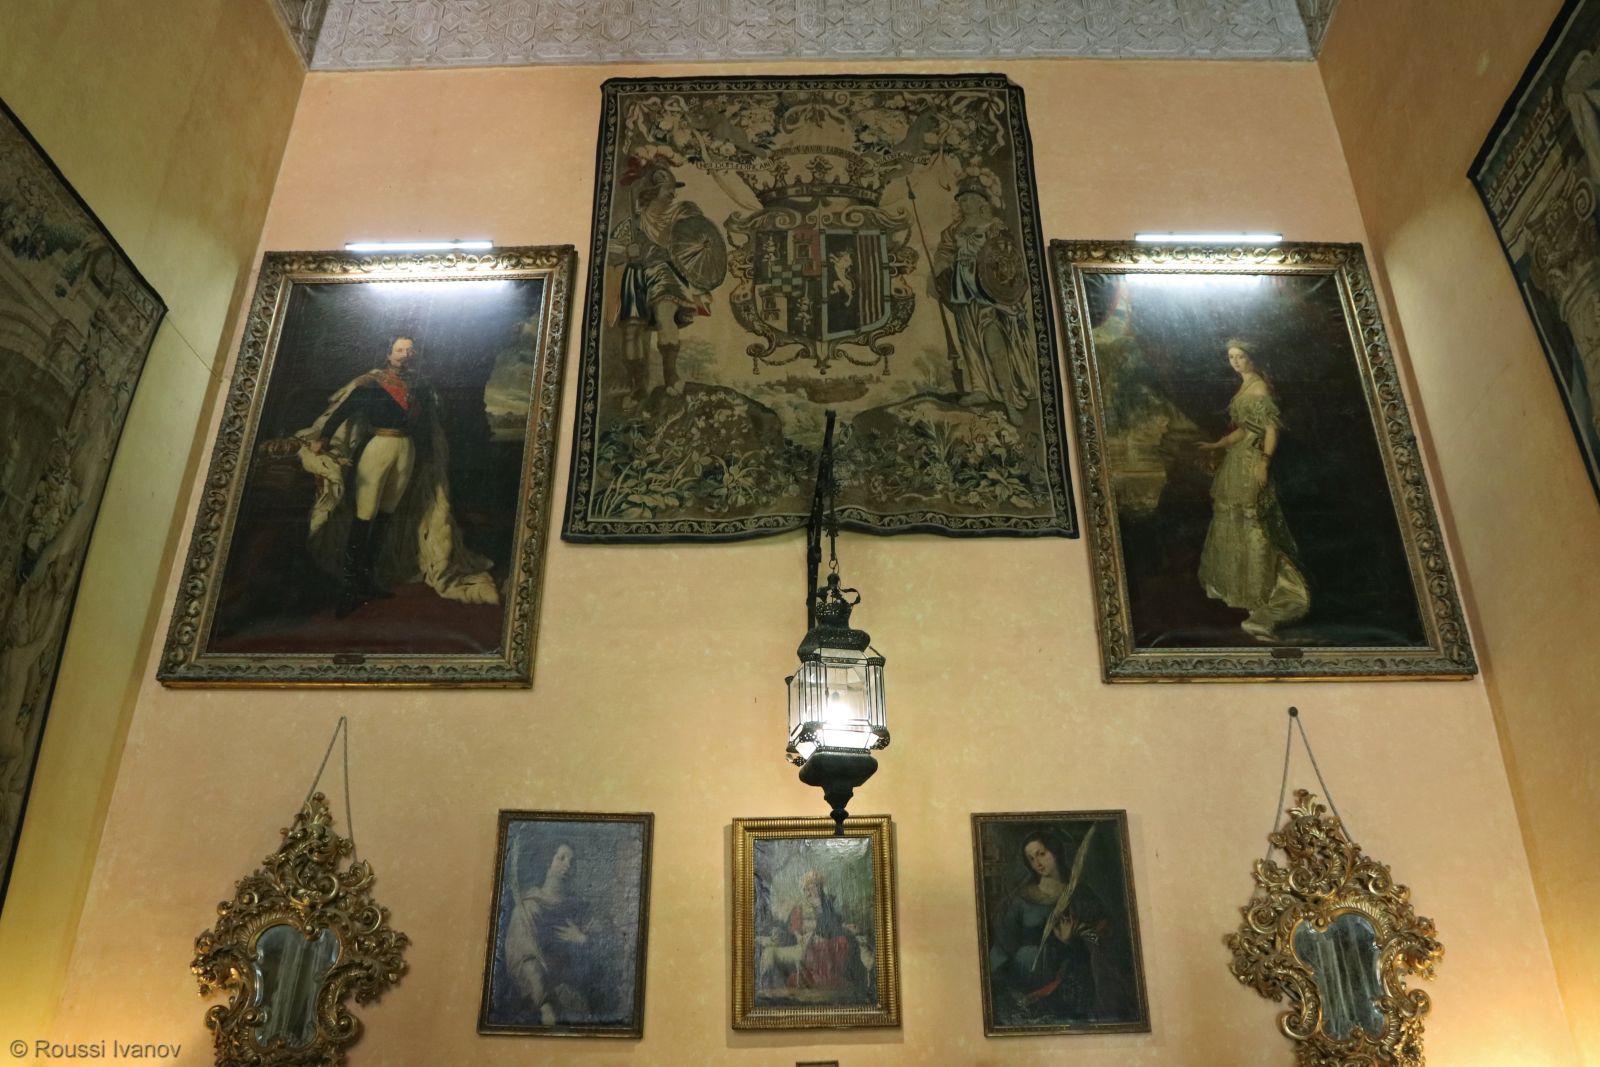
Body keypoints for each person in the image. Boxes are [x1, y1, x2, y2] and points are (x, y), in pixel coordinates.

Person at [296, 336, 497, 617]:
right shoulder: (371, 383)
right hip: (378, 449)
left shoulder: (420, 388)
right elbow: (343, 411)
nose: (406, 354)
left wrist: (429, 454)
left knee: (386, 516)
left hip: (407, 451)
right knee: (365, 516)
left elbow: (426, 425)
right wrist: (324, 438)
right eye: (400, 350)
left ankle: (368, 581)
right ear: (388, 354)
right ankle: (350, 587)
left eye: (410, 350)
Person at [1195, 340, 1310, 641]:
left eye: (1241, 357)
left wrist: (1264, 461)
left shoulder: (1259, 388)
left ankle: (1259, 591)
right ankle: (1234, 586)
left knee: (1253, 523)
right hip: (1237, 459)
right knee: (1232, 520)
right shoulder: (1244, 385)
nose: (1235, 362)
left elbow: (1271, 430)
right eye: (1231, 357)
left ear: (1252, 358)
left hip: (1252, 462)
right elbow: (1245, 429)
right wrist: (1218, 444)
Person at [986, 832, 1127, 1025]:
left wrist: (1070, 941)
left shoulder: (1080, 894)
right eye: (1031, 858)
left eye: (1041, 854)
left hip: (1069, 985)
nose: (1037, 862)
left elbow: (1104, 935)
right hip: (1024, 983)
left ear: (1055, 852)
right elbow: (1003, 945)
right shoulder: (1022, 900)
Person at [607, 162, 714, 407]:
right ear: (653, 192)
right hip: (636, 276)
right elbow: (611, 252)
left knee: (666, 315)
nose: (673, 193)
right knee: (631, 331)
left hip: (665, 272)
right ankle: (638, 386)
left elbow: (698, 239)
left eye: (673, 188)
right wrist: (626, 252)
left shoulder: (679, 216)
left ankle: (671, 376)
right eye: (668, 188)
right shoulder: (633, 223)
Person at [932, 175, 1036, 423]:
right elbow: (944, 254)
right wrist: (940, 267)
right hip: (962, 291)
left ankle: (1009, 397)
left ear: (981, 201)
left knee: (994, 342)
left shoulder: (993, 226)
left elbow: (1008, 258)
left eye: (969, 198)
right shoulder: (952, 230)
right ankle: (979, 388)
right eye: (962, 199)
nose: (964, 203)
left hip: (989, 291)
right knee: (968, 340)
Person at [502, 843, 597, 1025]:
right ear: (548, 863)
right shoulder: (528, 908)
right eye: (561, 858)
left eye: (572, 862)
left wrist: (582, 940)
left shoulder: (580, 909)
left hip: (576, 1001)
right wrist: (545, 1005)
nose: (567, 865)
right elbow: (524, 959)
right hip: (541, 1002)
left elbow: (596, 961)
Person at [758, 870, 870, 996]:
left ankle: (832, 979)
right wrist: (798, 936)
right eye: (808, 888)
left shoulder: (827, 902)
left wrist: (843, 926)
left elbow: (832, 923)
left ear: (820, 887)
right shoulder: (799, 907)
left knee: (842, 943)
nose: (811, 891)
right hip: (808, 942)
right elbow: (793, 929)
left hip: (824, 938)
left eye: (814, 887)